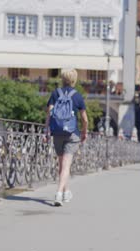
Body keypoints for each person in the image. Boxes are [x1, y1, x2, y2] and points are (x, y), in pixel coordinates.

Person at [45, 69, 88, 206]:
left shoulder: (55, 93)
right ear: (74, 79)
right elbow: (84, 119)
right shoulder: (77, 96)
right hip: (71, 133)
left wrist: (47, 130)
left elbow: (49, 113)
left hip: (57, 132)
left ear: (62, 79)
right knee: (66, 165)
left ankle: (66, 191)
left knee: (62, 165)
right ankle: (58, 193)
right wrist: (84, 132)